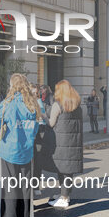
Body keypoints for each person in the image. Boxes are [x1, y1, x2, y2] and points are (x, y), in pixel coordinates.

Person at [0, 73, 39, 217]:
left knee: (11, 186)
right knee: (25, 187)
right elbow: (35, 128)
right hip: (26, 151)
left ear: (12, 86)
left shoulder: (6, 104)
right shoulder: (32, 104)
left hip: (9, 151)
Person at [43, 80, 83, 208]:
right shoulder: (77, 105)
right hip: (73, 142)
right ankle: (65, 194)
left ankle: (64, 198)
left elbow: (51, 123)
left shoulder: (58, 105)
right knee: (68, 170)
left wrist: (43, 115)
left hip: (61, 143)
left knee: (62, 170)